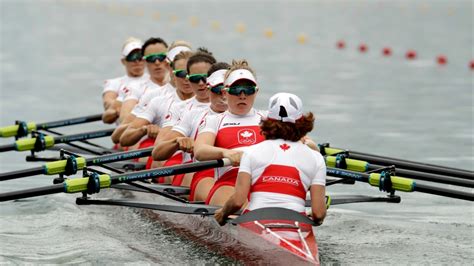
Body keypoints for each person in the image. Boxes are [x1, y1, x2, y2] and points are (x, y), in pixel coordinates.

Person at [214, 92, 327, 226]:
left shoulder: (251, 152)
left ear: (267, 121)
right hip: (296, 222)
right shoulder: (316, 158)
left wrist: (222, 214)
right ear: (302, 121)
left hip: (254, 218)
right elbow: (318, 214)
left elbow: (238, 201)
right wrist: (314, 218)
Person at [194, 60, 266, 206]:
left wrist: (306, 144)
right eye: (235, 90)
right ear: (225, 92)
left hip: (264, 180)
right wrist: (226, 153)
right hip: (231, 180)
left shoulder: (269, 118)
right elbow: (200, 150)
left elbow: (306, 143)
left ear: (256, 92)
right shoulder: (214, 121)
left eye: (248, 90)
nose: (242, 95)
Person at [151, 62, 229, 190]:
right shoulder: (190, 113)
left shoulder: (258, 118)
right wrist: (177, 142)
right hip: (202, 171)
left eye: (228, 90)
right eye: (217, 90)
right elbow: (157, 153)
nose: (223, 95)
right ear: (209, 88)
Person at [119, 50, 195, 148]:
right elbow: (123, 139)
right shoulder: (159, 101)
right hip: (166, 156)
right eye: (182, 74)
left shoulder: (214, 104)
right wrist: (144, 130)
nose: (187, 78)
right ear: (172, 73)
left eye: (192, 75)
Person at [101, 37, 147, 124]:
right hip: (128, 130)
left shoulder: (155, 80)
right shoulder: (114, 83)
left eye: (140, 57)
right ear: (123, 61)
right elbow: (108, 103)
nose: (137, 61)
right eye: (132, 57)